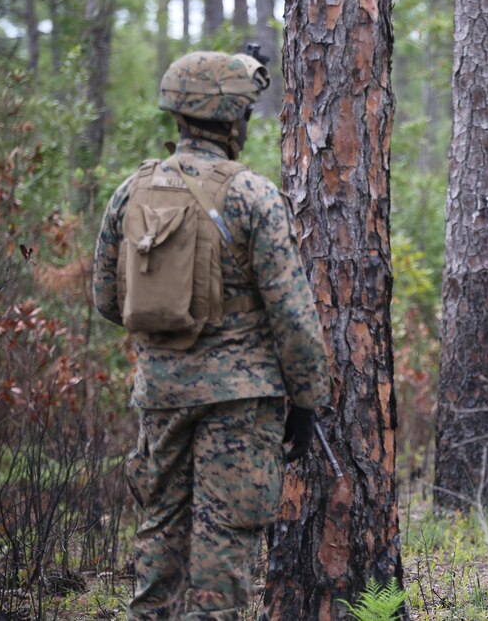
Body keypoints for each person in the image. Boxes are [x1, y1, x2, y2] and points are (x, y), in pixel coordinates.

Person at [92, 49, 330, 619]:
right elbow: (294, 316)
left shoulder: (132, 191)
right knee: (223, 552)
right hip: (240, 406)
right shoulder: (253, 196)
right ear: (232, 121)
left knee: (159, 536)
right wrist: (308, 402)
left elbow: (107, 299)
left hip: (161, 396)